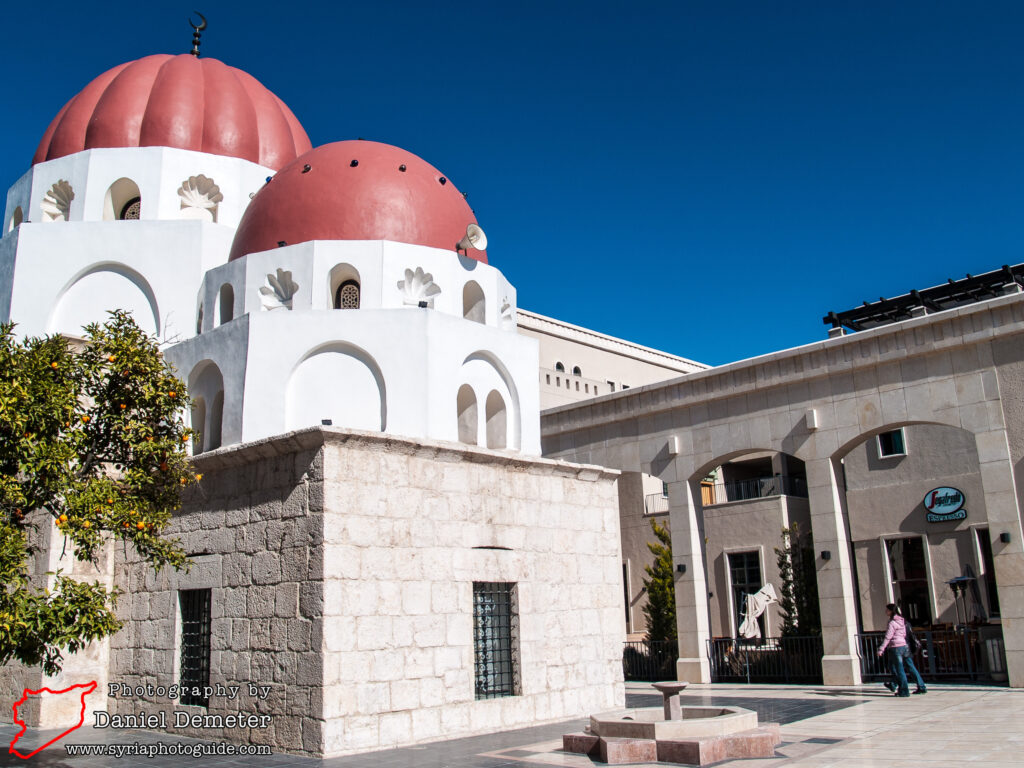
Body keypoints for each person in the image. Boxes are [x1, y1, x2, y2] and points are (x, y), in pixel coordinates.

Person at [877, 603, 926, 697]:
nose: (885, 611)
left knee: (899, 669)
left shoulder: (892, 622)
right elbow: (904, 634)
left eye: (887, 610)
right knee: (910, 666)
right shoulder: (902, 620)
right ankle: (921, 686)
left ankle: (904, 690)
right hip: (904, 646)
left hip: (896, 647)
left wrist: (881, 648)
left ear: (891, 611)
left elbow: (888, 636)